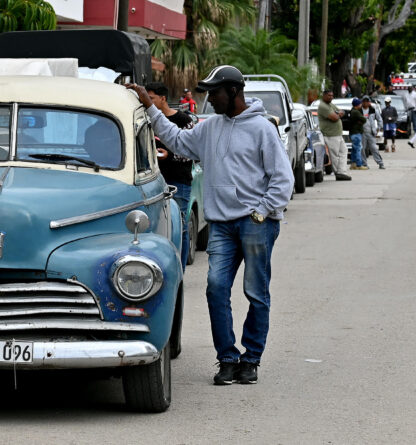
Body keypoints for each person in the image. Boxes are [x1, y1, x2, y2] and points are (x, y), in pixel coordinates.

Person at [126, 65, 294, 385]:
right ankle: (228, 358)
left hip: (256, 223)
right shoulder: (211, 127)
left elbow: (282, 179)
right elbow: (176, 140)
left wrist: (262, 211)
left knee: (255, 292)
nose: (209, 100)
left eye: (214, 93)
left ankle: (252, 358)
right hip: (221, 225)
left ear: (233, 92)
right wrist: (149, 105)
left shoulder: (262, 128)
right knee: (216, 288)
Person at [145, 81, 196, 270]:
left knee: (179, 226)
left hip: (178, 182)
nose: (147, 103)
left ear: (163, 98)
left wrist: (170, 155)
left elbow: (192, 151)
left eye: (151, 99)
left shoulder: (183, 120)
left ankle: (179, 271)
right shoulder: (146, 120)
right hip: (154, 183)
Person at [317, 90, 352, 181]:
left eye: (332, 95)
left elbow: (342, 111)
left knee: (344, 151)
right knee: (335, 155)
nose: (331, 97)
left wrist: (338, 113)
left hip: (337, 134)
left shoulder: (330, 105)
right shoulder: (323, 106)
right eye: (329, 95)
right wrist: (338, 114)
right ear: (324, 95)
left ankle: (342, 171)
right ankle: (338, 173)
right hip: (330, 135)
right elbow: (334, 118)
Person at [361, 96, 385, 169]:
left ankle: (380, 163)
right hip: (362, 133)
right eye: (364, 101)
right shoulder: (359, 110)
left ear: (369, 102)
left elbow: (379, 119)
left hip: (371, 133)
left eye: (367, 101)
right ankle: (364, 164)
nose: (366, 103)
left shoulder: (373, 110)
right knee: (363, 149)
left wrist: (379, 128)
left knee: (374, 148)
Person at [348, 98, 368, 170]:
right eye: (360, 104)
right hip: (356, 132)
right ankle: (359, 164)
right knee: (358, 149)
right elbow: (364, 119)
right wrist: (361, 121)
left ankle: (353, 164)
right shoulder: (356, 112)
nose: (361, 105)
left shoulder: (352, 111)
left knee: (354, 149)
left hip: (353, 132)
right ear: (357, 105)